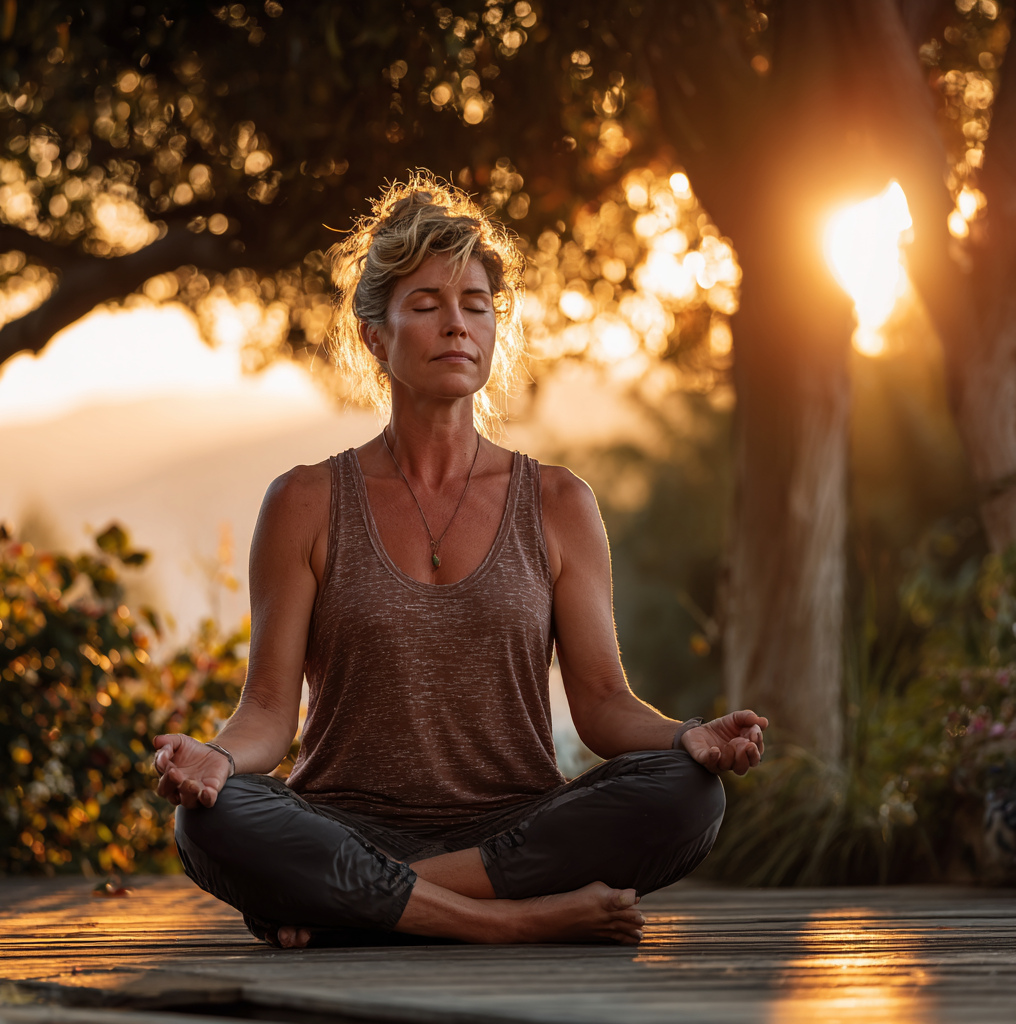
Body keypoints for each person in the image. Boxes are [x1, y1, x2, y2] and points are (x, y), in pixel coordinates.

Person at [153, 174, 768, 949]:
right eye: (427, 306)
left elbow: (605, 704)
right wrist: (215, 757)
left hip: (510, 829)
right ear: (377, 337)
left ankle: (354, 904)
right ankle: (507, 924)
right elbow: (271, 714)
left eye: (475, 306)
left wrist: (689, 739)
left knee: (688, 796)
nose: (457, 326)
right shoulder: (305, 501)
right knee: (214, 818)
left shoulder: (558, 502)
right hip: (342, 819)